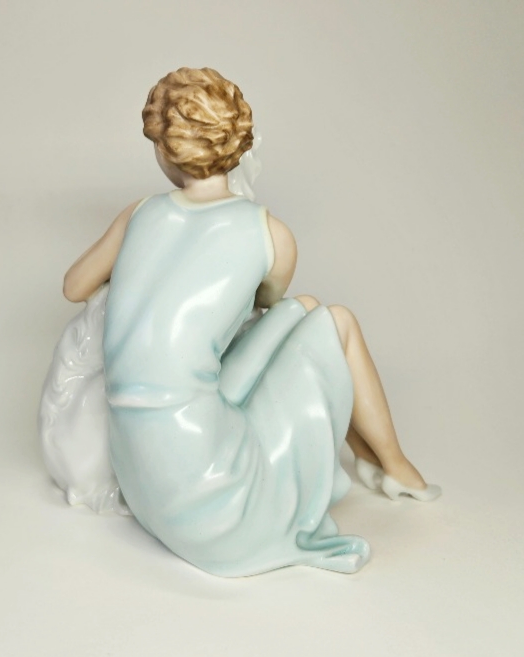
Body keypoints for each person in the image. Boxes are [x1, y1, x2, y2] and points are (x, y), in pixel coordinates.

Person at [58, 67, 440, 576]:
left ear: (165, 150)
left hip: (145, 484)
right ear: (237, 145)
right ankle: (395, 467)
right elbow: (266, 306)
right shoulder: (271, 235)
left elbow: (74, 286)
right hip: (217, 500)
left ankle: (372, 458)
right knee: (334, 321)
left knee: (306, 310)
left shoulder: (139, 214)